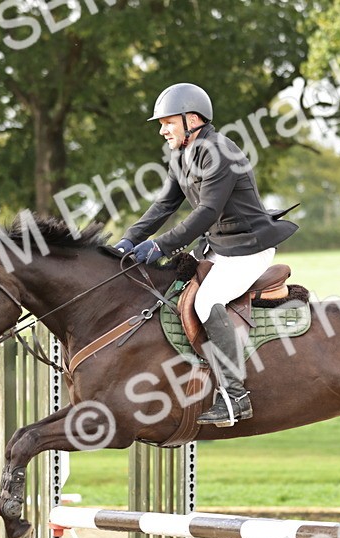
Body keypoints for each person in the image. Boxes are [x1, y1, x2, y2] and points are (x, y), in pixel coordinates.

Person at [115, 83, 297, 427]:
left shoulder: (220, 152)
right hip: (220, 247)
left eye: (168, 122)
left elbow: (207, 212)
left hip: (248, 248)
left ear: (192, 119)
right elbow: (165, 204)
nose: (162, 130)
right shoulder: (181, 154)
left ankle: (235, 398)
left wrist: (159, 245)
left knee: (205, 302)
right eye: (161, 124)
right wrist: (129, 239)